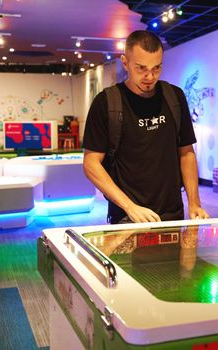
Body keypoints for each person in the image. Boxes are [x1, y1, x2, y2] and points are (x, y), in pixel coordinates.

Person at [83, 30, 209, 223]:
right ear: (125, 63)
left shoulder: (174, 97)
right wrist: (129, 207)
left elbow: (186, 152)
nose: (150, 76)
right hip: (127, 216)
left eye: (156, 68)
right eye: (141, 68)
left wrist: (194, 203)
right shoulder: (106, 102)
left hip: (172, 213)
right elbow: (91, 163)